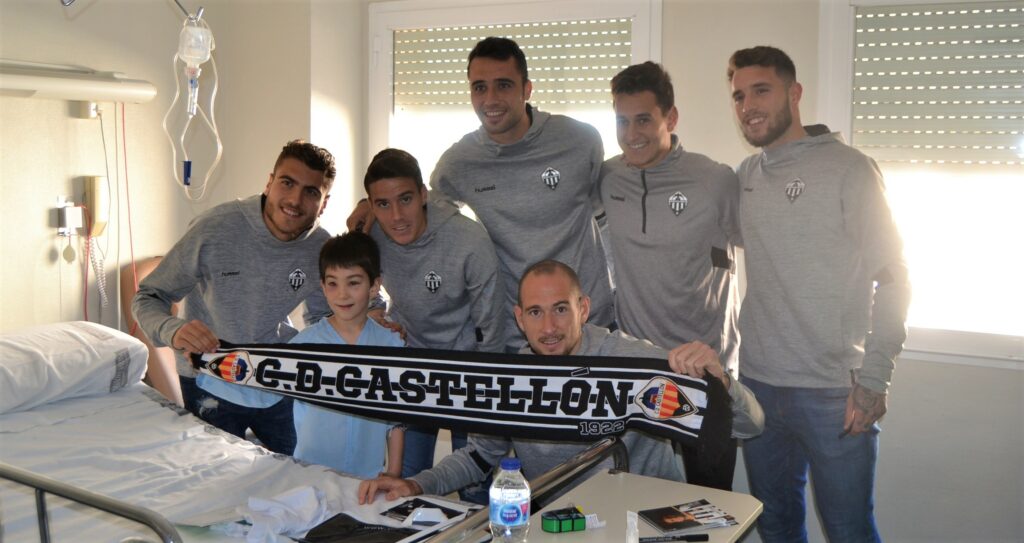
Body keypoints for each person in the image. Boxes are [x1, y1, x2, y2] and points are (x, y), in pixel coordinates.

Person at [356, 259, 763, 505]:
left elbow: (750, 426)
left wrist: (722, 381)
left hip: (647, 517)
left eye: (561, 309)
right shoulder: (513, 380)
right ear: (519, 318)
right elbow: (479, 457)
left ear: (583, 308)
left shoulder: (633, 361)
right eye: (535, 312)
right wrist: (416, 483)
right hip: (560, 523)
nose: (549, 327)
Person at [727, 46, 910, 542]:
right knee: (776, 524)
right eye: (739, 96)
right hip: (759, 386)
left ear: (794, 93)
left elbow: (893, 276)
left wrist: (874, 379)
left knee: (849, 530)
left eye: (760, 91)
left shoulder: (851, 168)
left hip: (834, 391)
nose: (748, 106)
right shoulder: (746, 176)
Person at [349, 37, 613, 352]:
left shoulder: (580, 140)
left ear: (527, 89)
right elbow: (423, 209)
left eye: (503, 85)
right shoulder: (459, 163)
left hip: (588, 323)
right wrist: (370, 205)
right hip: (518, 333)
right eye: (479, 87)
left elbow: (604, 215)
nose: (490, 99)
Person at [132, 139, 336, 454]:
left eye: (311, 192)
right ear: (269, 182)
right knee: (215, 471)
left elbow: (325, 318)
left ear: (323, 203)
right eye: (287, 183)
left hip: (277, 377)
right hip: (208, 374)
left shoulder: (321, 248)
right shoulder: (215, 229)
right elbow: (148, 296)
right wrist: (174, 330)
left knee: (304, 466)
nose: (295, 200)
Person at [600, 61, 742, 490]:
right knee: (639, 501)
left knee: (709, 508)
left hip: (704, 372)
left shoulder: (714, 180)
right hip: (639, 374)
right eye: (622, 121)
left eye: (644, 119)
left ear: (671, 118)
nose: (632, 133)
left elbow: (766, 252)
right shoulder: (608, 177)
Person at [363, 148, 504, 485]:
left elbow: (491, 325)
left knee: (472, 484)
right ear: (371, 206)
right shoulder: (371, 235)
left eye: (406, 199)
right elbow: (360, 281)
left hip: (469, 372)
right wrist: (375, 310)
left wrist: (485, 388)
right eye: (383, 204)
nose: (397, 216)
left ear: (423, 195)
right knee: (407, 482)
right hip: (413, 370)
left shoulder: (468, 239)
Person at [289, 232, 405, 478]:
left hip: (368, 476)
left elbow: (396, 418)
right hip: (311, 473)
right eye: (333, 283)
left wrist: (393, 472)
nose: (342, 294)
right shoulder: (302, 346)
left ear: (374, 286)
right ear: (322, 286)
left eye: (353, 283)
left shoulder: (391, 345)